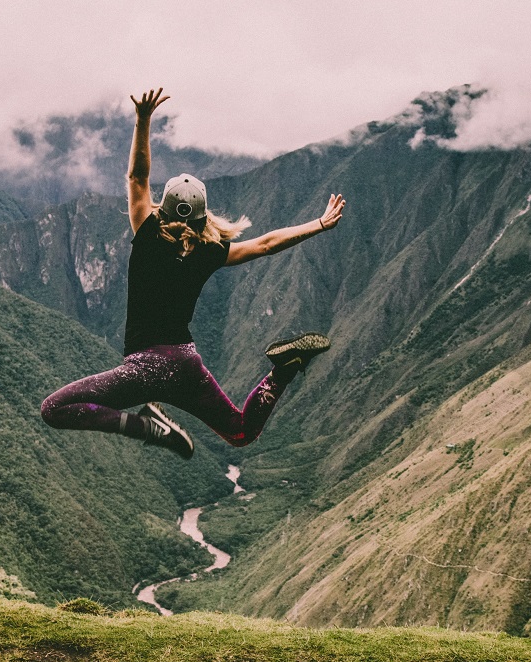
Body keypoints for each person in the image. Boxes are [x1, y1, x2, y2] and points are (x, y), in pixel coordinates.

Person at [40, 88, 345, 458]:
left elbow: (138, 176)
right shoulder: (209, 251)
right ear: (203, 215)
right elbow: (265, 244)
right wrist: (319, 224)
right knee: (241, 432)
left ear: (162, 208)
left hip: (145, 368)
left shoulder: (148, 234)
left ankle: (145, 426)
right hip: (186, 364)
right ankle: (282, 371)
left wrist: (143, 119)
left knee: (54, 409)